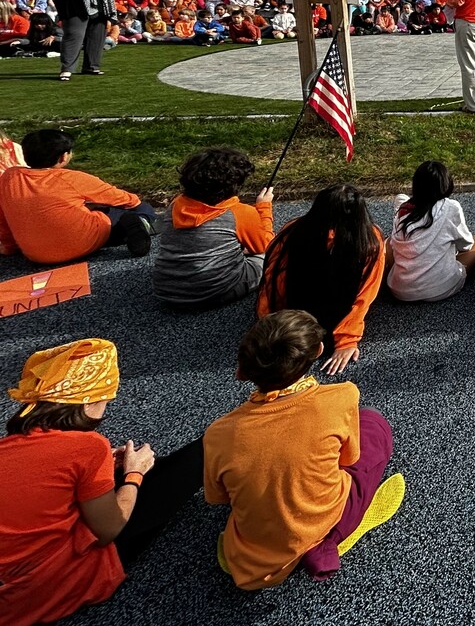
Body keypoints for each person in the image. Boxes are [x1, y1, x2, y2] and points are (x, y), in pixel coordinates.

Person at [0, 339, 203, 625]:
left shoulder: (9, 444)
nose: (107, 405)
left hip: (8, 590)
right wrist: (135, 473)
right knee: (189, 461)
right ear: (88, 401)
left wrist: (102, 466)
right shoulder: (88, 446)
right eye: (105, 397)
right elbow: (109, 529)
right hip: (47, 583)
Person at [204, 311, 402, 588]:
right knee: (373, 422)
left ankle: (265, 553)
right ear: (319, 350)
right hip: (326, 515)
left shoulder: (217, 434)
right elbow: (349, 459)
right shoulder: (341, 396)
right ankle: (326, 541)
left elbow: (218, 498)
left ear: (244, 369)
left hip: (255, 546)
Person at [258, 185, 385, 376]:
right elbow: (365, 295)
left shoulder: (292, 231)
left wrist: (271, 324)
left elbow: (274, 280)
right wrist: (347, 339)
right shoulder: (371, 240)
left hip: (294, 325)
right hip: (333, 326)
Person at [0, 129, 156, 263]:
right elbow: (120, 197)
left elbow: (3, 217)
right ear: (63, 157)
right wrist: (136, 204)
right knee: (137, 210)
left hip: (36, 255)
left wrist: (10, 246)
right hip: (81, 244)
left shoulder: (8, 178)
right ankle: (138, 224)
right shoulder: (70, 178)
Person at [154, 147, 274, 310]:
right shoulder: (240, 212)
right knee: (268, 257)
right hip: (215, 292)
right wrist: (264, 207)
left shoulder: (176, 204)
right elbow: (266, 245)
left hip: (167, 292)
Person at [388, 161, 475, 302]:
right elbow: (466, 245)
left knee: (388, 242)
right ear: (446, 184)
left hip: (399, 291)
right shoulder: (451, 207)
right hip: (441, 288)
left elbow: (401, 199)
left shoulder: (403, 210)